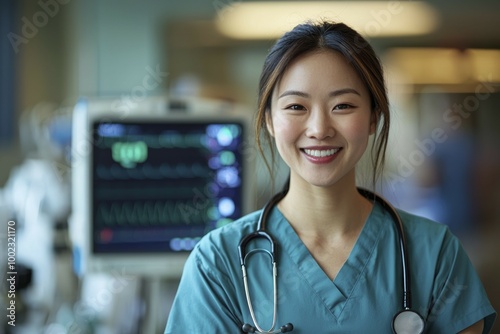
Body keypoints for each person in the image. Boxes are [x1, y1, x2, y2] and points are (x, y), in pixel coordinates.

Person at [164, 21, 496, 333]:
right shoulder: (217, 263)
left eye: (343, 106)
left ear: (373, 118)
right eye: (296, 107)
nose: (320, 129)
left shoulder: (435, 253)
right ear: (268, 120)